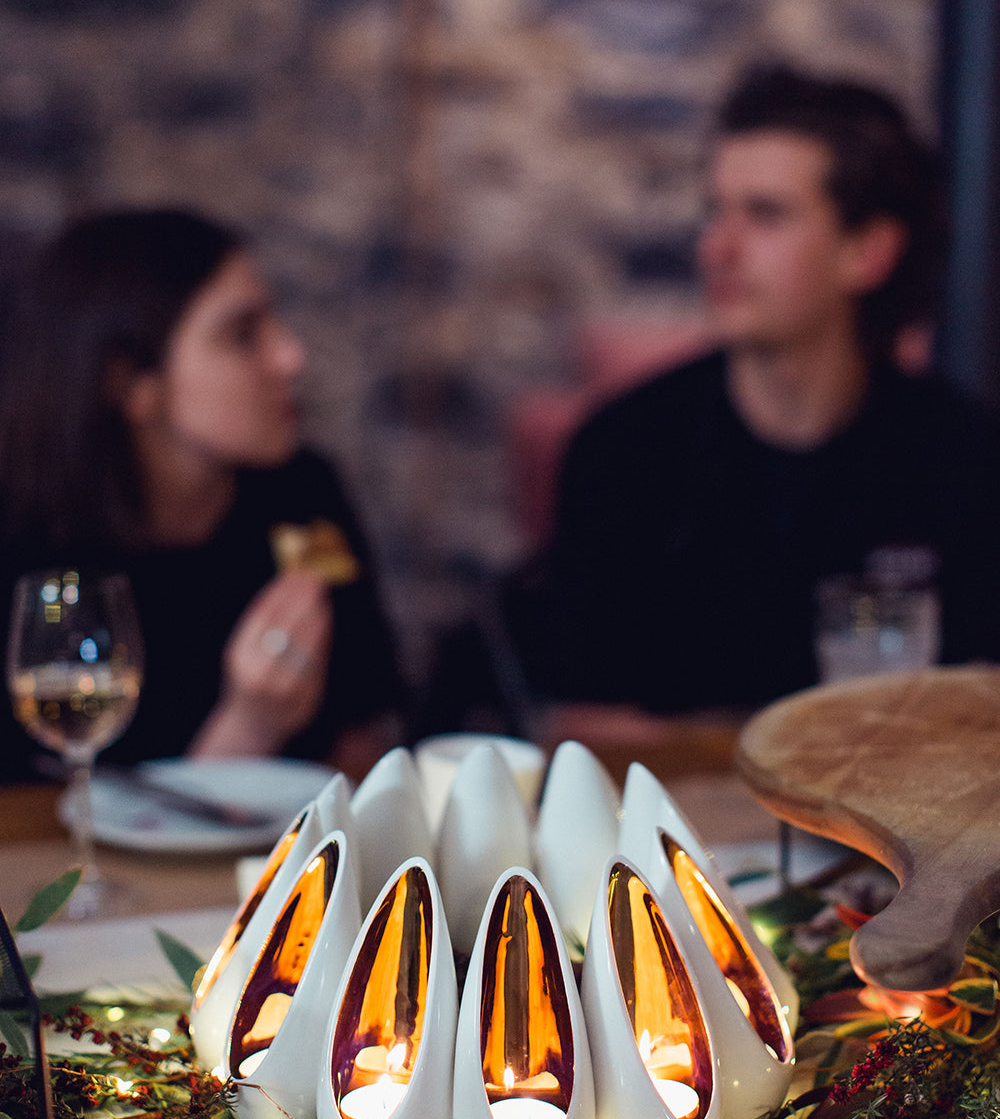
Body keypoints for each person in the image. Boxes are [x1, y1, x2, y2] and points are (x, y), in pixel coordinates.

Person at [512, 63, 1000, 716]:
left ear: (868, 251)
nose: (717, 246)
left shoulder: (963, 461)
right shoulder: (625, 451)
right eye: (716, 211)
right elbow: (584, 722)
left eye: (765, 215)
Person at [0, 208, 402, 783]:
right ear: (131, 383)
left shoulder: (301, 494)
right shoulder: (22, 545)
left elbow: (364, 739)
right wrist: (251, 725)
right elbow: (42, 821)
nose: (290, 357)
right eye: (243, 335)